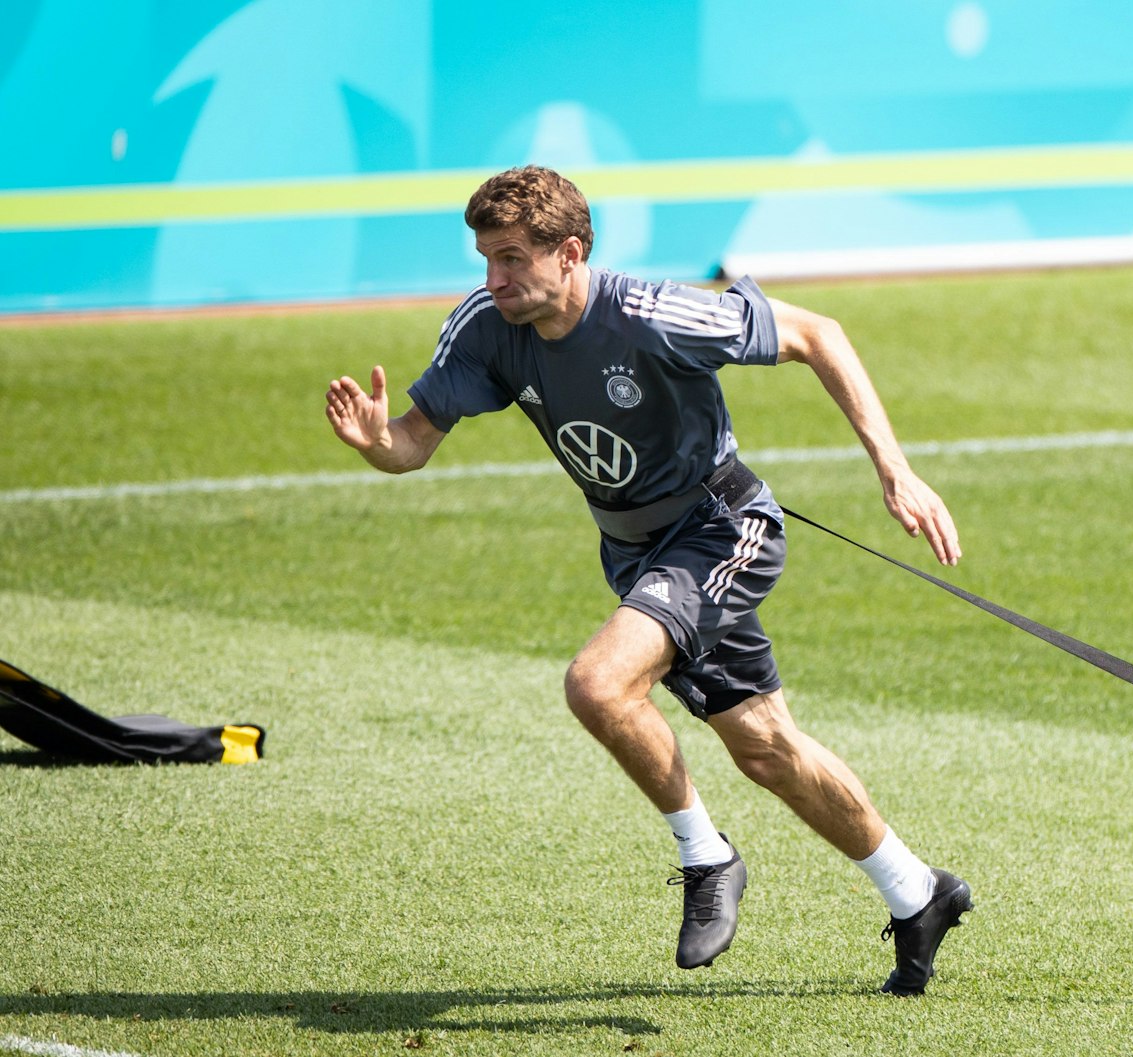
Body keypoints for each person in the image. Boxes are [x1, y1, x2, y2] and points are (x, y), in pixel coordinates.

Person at [324, 165, 972, 996]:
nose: (494, 280)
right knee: (767, 750)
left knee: (598, 684)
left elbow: (821, 334)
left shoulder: (651, 311)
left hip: (721, 529)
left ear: (571, 251)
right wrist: (379, 443)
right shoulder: (487, 326)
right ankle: (918, 892)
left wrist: (896, 471)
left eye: (514, 258)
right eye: (486, 259)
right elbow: (413, 442)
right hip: (638, 553)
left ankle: (707, 857)